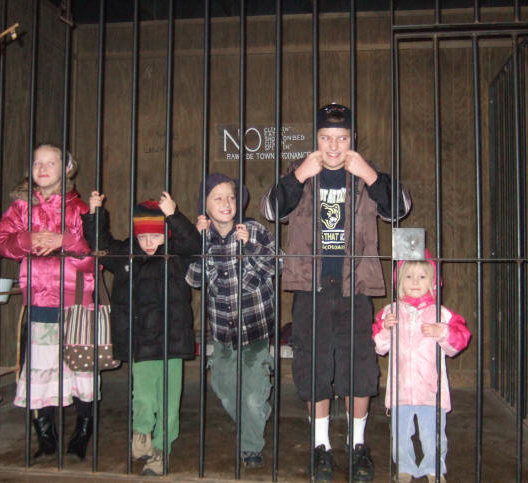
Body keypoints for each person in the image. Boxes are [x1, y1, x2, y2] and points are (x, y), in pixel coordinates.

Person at [260, 103, 411, 481]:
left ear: (352, 140)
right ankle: (321, 446)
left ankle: (358, 445)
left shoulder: (365, 176)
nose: (333, 146)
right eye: (325, 138)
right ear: (315, 140)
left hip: (354, 287)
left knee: (359, 366)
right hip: (310, 287)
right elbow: (270, 211)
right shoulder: (299, 176)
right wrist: (298, 175)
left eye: (341, 138)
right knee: (313, 366)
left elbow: (400, 209)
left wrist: (370, 174)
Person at [81, 191, 200, 476]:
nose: (148, 243)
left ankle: (161, 447)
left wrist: (173, 216)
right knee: (143, 395)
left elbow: (194, 243)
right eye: (143, 236)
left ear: (166, 235)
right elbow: (100, 244)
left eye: (155, 236)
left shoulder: (175, 255)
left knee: (169, 399)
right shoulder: (128, 253)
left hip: (171, 338)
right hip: (140, 340)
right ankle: (142, 432)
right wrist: (95, 214)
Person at [0, 143, 96, 461]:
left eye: (50, 163)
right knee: (40, 366)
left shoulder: (79, 208)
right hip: (39, 297)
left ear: (67, 168)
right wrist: (25, 239)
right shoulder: (20, 207)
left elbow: (94, 257)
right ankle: (45, 433)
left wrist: (65, 241)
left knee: (80, 365)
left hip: (75, 300)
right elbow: (2, 242)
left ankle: (83, 429)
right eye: (37, 162)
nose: (42, 168)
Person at [186, 173, 277, 469]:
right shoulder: (202, 238)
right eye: (218, 198)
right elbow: (193, 280)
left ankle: (250, 446)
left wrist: (249, 246)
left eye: (231, 197)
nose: (226, 203)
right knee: (224, 388)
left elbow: (279, 263)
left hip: (255, 332)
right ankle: (256, 416)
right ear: (205, 206)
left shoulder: (254, 230)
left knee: (251, 396)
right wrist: (199, 243)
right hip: (223, 334)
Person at [373, 254, 471, 483]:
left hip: (431, 390)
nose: (415, 282)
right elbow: (379, 346)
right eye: (408, 276)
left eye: (422, 277)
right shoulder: (390, 312)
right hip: (401, 389)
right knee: (400, 433)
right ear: (399, 281)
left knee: (432, 433)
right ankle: (404, 467)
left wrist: (443, 332)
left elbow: (459, 341)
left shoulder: (441, 313)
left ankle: (434, 468)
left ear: (433, 282)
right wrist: (386, 328)